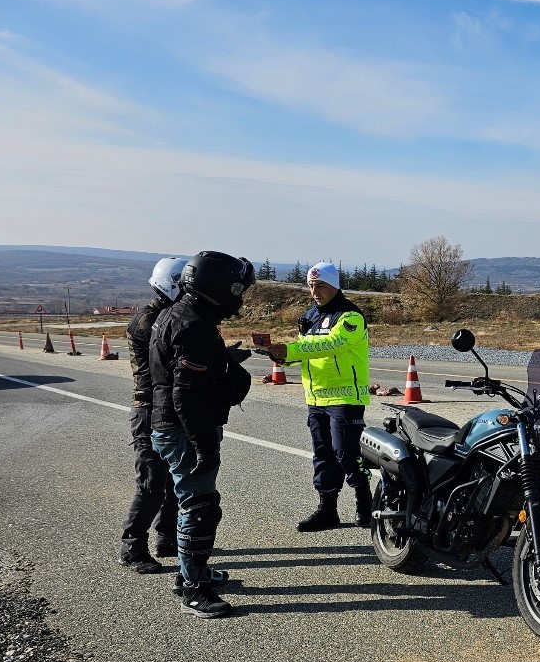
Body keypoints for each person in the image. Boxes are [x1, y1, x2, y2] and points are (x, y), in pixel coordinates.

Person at [150, 251, 256, 618]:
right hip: (182, 430)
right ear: (217, 288)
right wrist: (203, 444)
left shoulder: (184, 313)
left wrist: (223, 360)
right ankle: (193, 589)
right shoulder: (193, 323)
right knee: (199, 508)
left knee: (193, 503)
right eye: (236, 288)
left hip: (176, 427)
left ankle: (190, 572)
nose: (239, 296)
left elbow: (190, 377)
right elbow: (186, 394)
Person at [267, 262, 372, 531]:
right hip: (316, 399)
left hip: (345, 399)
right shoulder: (310, 316)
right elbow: (304, 349)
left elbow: (332, 344)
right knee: (323, 456)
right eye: (311, 285)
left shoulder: (350, 316)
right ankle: (328, 511)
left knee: (346, 455)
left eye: (321, 285)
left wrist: (289, 351)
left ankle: (366, 504)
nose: (315, 291)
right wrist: (280, 355)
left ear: (335, 285)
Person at [119, 257, 187, 573]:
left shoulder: (166, 316)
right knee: (151, 483)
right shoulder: (148, 322)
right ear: (170, 283)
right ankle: (132, 548)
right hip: (148, 409)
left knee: (174, 479)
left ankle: (167, 537)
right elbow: (171, 362)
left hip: (168, 409)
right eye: (184, 285)